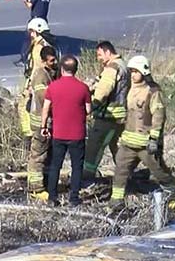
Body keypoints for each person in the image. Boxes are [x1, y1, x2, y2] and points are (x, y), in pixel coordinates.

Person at [111, 56, 175, 203]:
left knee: (158, 171)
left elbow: (158, 115)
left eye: (136, 71)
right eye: (131, 71)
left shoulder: (153, 91)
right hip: (128, 142)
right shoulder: (128, 88)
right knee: (120, 171)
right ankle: (116, 202)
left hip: (146, 144)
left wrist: (154, 139)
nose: (133, 75)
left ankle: (173, 193)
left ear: (144, 71)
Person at [41, 56, 92, 206]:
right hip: (77, 134)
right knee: (77, 166)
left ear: (62, 69)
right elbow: (88, 110)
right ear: (76, 70)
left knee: (56, 165)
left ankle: (52, 197)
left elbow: (45, 108)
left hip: (59, 133)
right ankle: (74, 198)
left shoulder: (53, 87)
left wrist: (44, 126)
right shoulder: (83, 88)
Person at [84, 41, 128, 180]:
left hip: (108, 116)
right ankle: (126, 174)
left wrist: (92, 105)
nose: (98, 58)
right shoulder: (123, 65)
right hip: (120, 116)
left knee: (94, 147)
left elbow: (104, 90)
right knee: (117, 148)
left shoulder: (112, 67)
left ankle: (87, 176)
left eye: (99, 55)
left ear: (108, 52)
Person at [26, 46, 58, 200]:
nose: (55, 62)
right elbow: (43, 97)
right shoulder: (40, 75)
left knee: (48, 155)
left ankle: (46, 182)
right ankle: (35, 189)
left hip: (51, 121)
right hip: (41, 122)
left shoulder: (52, 72)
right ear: (44, 61)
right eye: (52, 60)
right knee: (38, 155)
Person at [17, 18, 54, 140]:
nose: (30, 34)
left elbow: (37, 68)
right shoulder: (44, 44)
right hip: (42, 81)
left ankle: (29, 136)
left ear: (36, 31)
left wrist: (29, 86)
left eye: (32, 32)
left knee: (24, 107)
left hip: (36, 81)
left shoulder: (39, 48)